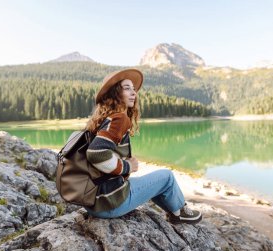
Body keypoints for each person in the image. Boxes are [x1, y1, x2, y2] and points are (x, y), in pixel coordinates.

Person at [84, 68, 202, 224]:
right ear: (114, 94)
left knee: (155, 181)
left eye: (134, 89)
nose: (134, 93)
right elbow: (95, 153)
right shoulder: (119, 119)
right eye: (127, 89)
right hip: (109, 204)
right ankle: (179, 212)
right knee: (167, 177)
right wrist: (127, 166)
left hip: (94, 202)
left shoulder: (104, 119)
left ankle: (175, 211)